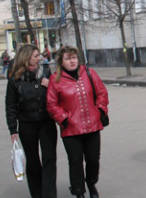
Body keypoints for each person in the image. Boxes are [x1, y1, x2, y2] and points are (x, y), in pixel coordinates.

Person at [47, 46, 109, 198]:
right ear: (61, 62)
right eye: (67, 59)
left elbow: (102, 93)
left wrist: (100, 110)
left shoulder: (89, 73)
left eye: (73, 57)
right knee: (75, 163)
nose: (72, 61)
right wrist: (63, 118)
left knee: (93, 160)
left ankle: (91, 183)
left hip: (93, 126)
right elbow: (51, 104)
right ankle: (79, 191)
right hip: (71, 129)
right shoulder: (55, 80)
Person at [5, 44, 57, 198]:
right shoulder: (15, 78)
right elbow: (10, 105)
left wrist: (51, 86)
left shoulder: (46, 72)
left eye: (38, 56)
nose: (38, 58)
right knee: (33, 161)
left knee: (49, 159)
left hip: (46, 122)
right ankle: (37, 193)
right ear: (26, 58)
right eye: (35, 56)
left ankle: (49, 194)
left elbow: (58, 95)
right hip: (27, 125)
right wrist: (12, 129)